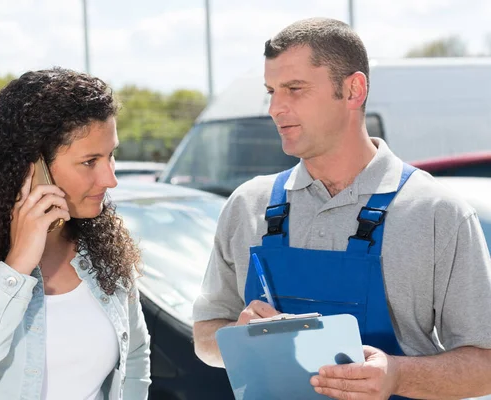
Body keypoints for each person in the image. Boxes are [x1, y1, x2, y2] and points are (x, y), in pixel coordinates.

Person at [192, 17, 491, 400]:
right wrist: (238, 337)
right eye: (271, 91)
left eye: (294, 89)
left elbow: (485, 366)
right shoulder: (248, 205)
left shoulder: (436, 213)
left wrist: (397, 375)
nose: (274, 108)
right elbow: (204, 337)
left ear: (353, 90)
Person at [0, 68, 151, 400]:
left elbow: (135, 357)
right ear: (31, 167)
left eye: (111, 156)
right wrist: (15, 268)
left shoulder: (104, 243)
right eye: (90, 161)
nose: (110, 179)